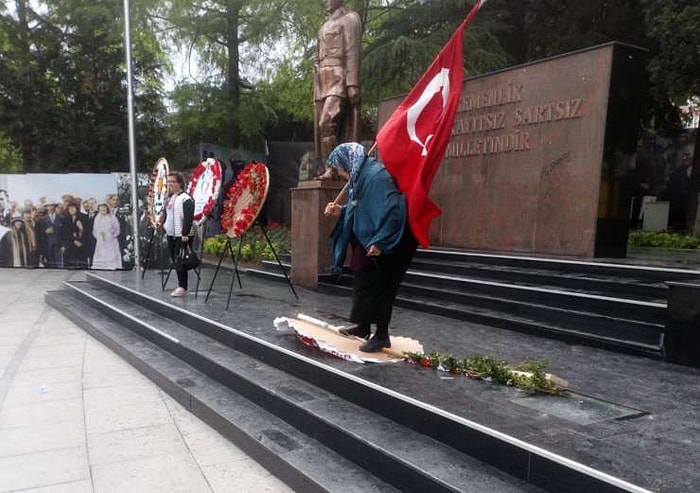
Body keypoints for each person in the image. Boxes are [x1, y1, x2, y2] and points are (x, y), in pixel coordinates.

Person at [324, 143, 417, 352]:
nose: (339, 173)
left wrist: (381, 241)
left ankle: (382, 335)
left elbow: (393, 209)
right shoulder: (358, 177)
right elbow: (362, 206)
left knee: (382, 287)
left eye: (338, 168)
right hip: (368, 238)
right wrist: (341, 209)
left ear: (347, 162)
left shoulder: (376, 176)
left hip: (393, 239)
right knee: (363, 278)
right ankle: (363, 326)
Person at [313, 0, 362, 179]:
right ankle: (330, 168)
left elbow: (352, 50)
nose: (325, 1)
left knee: (325, 122)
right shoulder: (324, 26)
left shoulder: (350, 19)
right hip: (322, 80)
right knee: (325, 128)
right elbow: (317, 53)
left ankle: (335, 168)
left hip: (338, 77)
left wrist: (352, 83)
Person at [156, 171, 194, 297]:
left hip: (182, 234)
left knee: (180, 260)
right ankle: (181, 284)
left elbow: (188, 217)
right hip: (171, 233)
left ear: (180, 183)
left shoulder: (186, 198)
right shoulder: (170, 198)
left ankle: (183, 287)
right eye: (169, 182)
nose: (170, 184)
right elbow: (168, 214)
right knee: (175, 259)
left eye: (173, 182)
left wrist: (185, 233)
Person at [92, 203, 122, 270]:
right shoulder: (97, 218)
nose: (103, 209)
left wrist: (110, 235)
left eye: (104, 207)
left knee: (111, 260)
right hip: (100, 242)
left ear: (107, 208)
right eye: (101, 207)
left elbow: (117, 230)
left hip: (111, 242)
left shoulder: (112, 217)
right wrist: (99, 236)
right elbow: (94, 230)